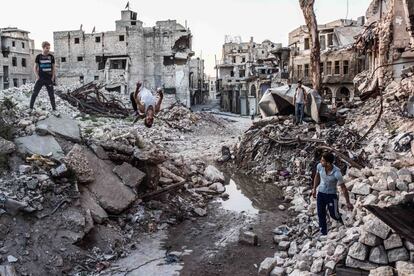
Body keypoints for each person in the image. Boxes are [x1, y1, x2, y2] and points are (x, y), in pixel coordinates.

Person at [311, 152, 353, 236]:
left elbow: (343, 188)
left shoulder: (337, 173)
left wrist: (348, 202)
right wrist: (314, 188)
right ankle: (323, 233)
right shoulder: (319, 166)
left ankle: (343, 222)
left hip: (331, 195)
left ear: (328, 163)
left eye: (322, 160)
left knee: (334, 214)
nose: (320, 161)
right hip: (321, 194)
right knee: (320, 213)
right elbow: (317, 176)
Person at [30, 41, 58, 116]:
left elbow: (53, 68)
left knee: (51, 95)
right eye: (47, 48)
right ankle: (30, 108)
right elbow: (34, 67)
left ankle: (54, 109)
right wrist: (37, 76)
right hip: (40, 78)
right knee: (34, 93)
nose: (48, 49)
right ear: (43, 48)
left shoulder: (51, 57)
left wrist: (53, 77)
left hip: (49, 79)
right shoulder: (38, 56)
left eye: (49, 48)